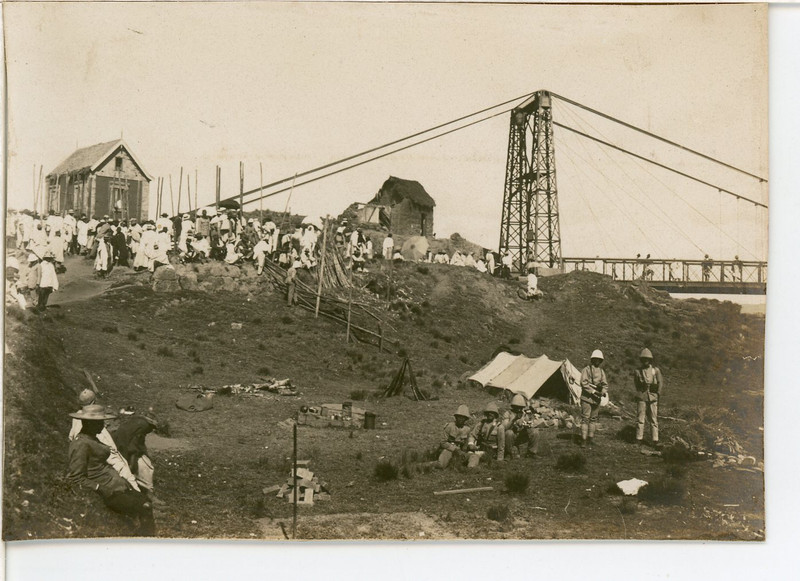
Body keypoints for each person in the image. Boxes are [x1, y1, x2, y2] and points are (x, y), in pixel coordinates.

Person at [67, 405, 155, 536]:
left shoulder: (92, 438)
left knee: (145, 500)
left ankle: (143, 536)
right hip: (108, 490)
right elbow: (75, 477)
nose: (102, 425)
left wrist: (122, 480)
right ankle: (146, 540)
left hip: (116, 485)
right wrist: (100, 488)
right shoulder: (81, 444)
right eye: (99, 422)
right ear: (89, 423)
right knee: (145, 506)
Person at [112, 412, 161, 505]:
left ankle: (141, 490)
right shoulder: (144, 426)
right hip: (124, 447)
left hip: (117, 445)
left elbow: (138, 444)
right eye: (152, 428)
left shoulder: (135, 422)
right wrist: (132, 461)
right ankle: (148, 494)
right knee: (145, 467)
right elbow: (133, 446)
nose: (152, 430)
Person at [633, 348, 663, 448]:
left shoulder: (655, 370)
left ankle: (655, 440)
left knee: (653, 419)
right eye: (644, 359)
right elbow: (636, 383)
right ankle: (639, 439)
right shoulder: (638, 371)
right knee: (640, 418)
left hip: (653, 397)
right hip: (642, 396)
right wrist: (641, 392)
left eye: (647, 359)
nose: (645, 361)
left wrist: (658, 393)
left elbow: (660, 382)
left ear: (650, 360)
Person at [579, 349, 608, 448]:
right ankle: (583, 440)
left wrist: (602, 391)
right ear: (592, 359)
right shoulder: (586, 370)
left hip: (596, 399)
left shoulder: (601, 372)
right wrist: (593, 391)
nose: (597, 361)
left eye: (599, 360)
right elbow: (583, 383)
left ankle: (590, 439)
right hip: (586, 398)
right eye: (596, 359)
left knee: (593, 419)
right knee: (585, 419)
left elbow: (605, 384)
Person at [466, 402, 505, 467]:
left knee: (475, 456)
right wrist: (471, 443)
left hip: (491, 451)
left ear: (495, 414)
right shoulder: (481, 423)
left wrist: (499, 459)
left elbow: (501, 444)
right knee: (468, 454)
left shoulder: (499, 427)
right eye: (488, 412)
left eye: (492, 413)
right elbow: (472, 435)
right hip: (480, 448)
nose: (490, 414)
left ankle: (471, 468)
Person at [503, 394, 541, 458]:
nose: (519, 409)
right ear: (513, 406)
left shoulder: (524, 413)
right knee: (509, 433)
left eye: (520, 407)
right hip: (511, 436)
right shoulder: (508, 413)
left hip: (521, 435)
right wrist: (514, 419)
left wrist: (528, 425)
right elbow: (505, 428)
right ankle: (508, 453)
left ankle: (531, 452)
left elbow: (528, 423)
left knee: (535, 432)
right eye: (517, 407)